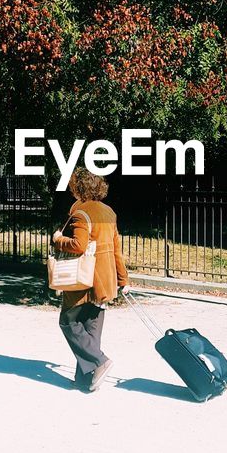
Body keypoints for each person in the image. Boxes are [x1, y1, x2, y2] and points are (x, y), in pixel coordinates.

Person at [53, 168, 130, 393]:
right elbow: (117, 250)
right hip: (105, 280)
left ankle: (99, 361)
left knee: (68, 322)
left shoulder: (80, 213)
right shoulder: (109, 212)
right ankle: (85, 379)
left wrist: (58, 240)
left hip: (83, 279)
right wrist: (123, 279)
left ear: (79, 187)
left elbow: (78, 245)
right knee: (91, 328)